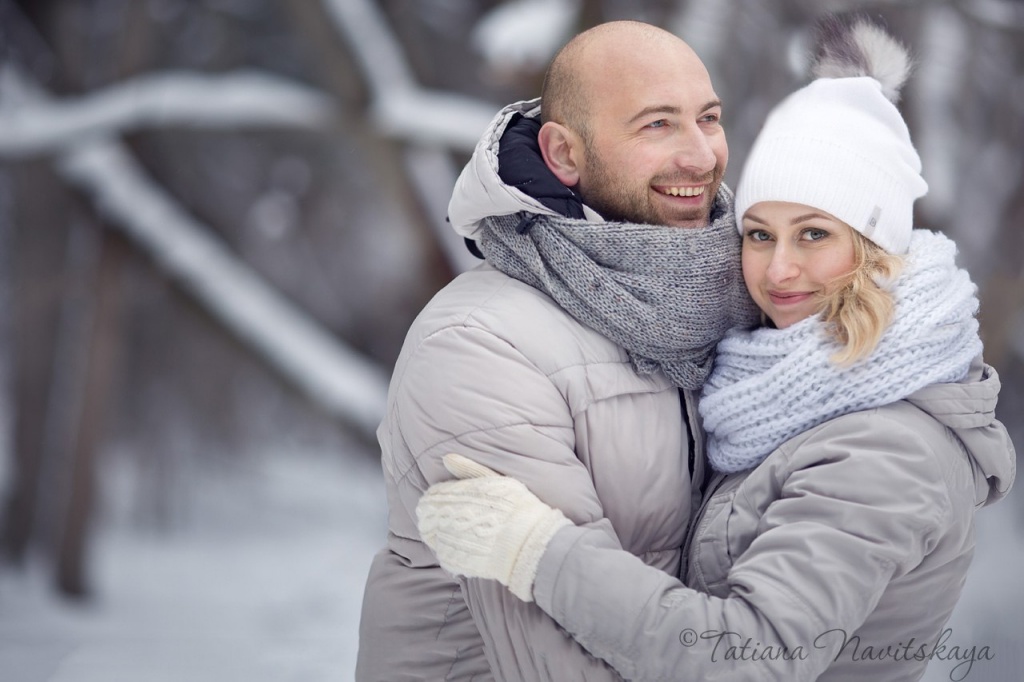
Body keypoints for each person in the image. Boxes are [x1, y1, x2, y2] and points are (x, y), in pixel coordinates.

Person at [415, 17, 1017, 681]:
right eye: (759, 234)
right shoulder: (771, 387)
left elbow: (749, 659)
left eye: (815, 234)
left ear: (877, 247)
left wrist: (541, 554)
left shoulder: (883, 446)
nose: (778, 269)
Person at [355, 20, 758, 681]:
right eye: (657, 124)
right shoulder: (478, 346)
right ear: (564, 154)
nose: (700, 155)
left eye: (708, 119)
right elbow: (559, 656)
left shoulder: (742, 300)